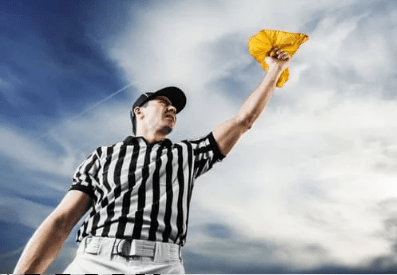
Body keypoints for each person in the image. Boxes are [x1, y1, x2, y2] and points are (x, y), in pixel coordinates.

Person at [13, 47, 292, 274]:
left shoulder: (188, 154)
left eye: (176, 107)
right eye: (163, 101)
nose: (172, 107)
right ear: (139, 112)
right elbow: (62, 220)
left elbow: (243, 121)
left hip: (162, 264)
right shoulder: (102, 156)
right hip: (95, 261)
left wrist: (274, 70)